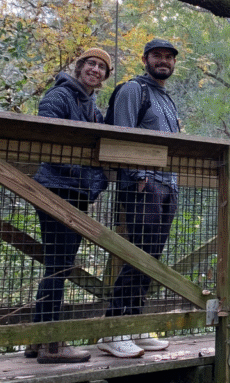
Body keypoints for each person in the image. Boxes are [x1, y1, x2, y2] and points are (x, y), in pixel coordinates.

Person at [26, 47, 112, 363]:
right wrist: (82, 175)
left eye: (102, 67)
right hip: (56, 188)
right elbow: (46, 136)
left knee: (57, 265)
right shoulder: (60, 95)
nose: (95, 69)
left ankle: (38, 340)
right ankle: (52, 345)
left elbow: (100, 153)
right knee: (59, 265)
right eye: (91, 63)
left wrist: (95, 184)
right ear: (79, 67)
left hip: (75, 192)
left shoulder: (92, 108)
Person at [97, 39, 181, 358]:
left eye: (168, 57)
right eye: (157, 56)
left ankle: (133, 324)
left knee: (151, 258)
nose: (163, 61)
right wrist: (139, 177)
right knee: (138, 255)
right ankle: (113, 329)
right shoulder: (134, 89)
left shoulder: (166, 98)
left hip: (167, 185)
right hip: (143, 185)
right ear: (145, 59)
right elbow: (123, 133)